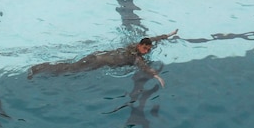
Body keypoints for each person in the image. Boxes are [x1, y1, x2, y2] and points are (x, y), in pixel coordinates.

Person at [28, 30, 178, 87]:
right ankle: (38, 69)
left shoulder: (134, 46)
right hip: (98, 62)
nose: (146, 52)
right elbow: (145, 68)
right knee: (70, 70)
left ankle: (40, 67)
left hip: (97, 55)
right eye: (145, 49)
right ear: (139, 46)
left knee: (71, 66)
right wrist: (157, 76)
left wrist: (167, 35)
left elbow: (153, 38)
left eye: (148, 50)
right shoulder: (136, 58)